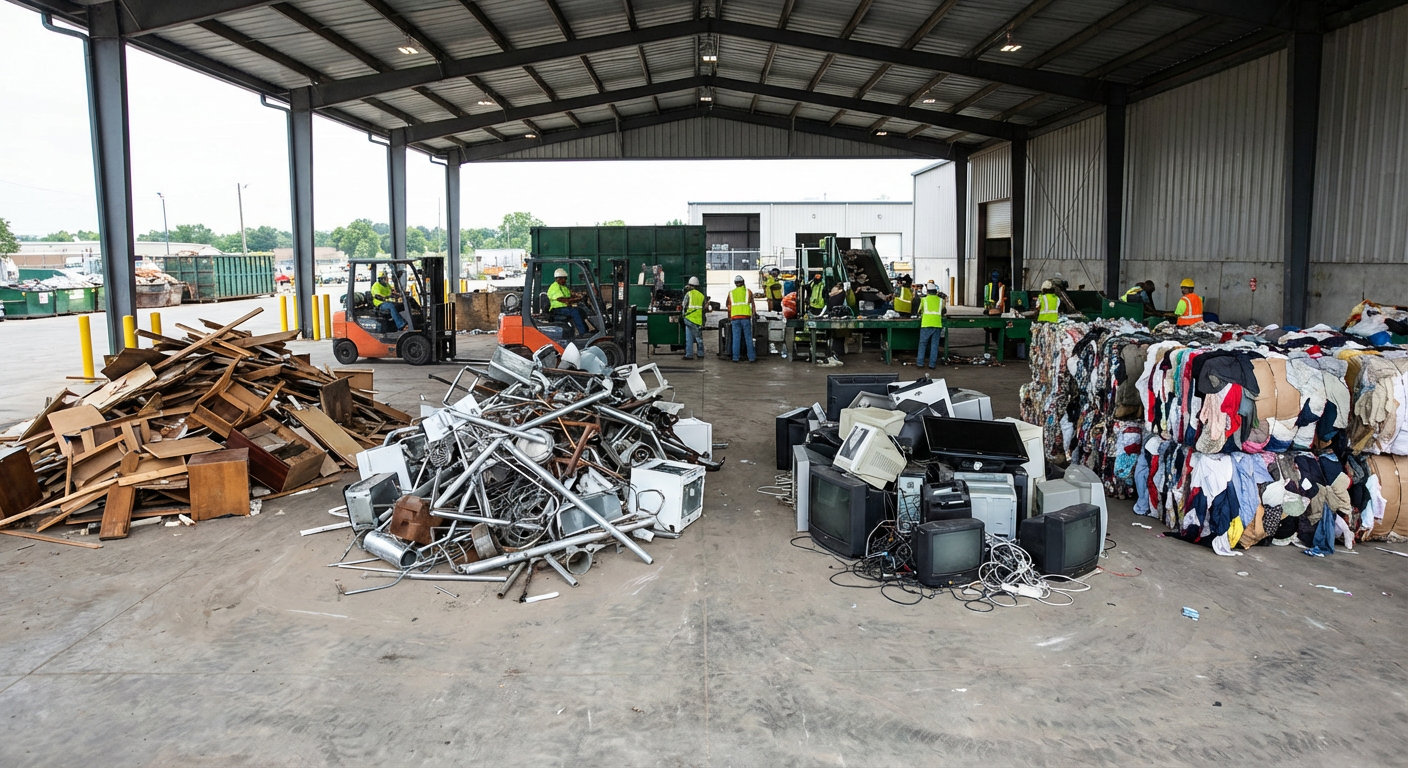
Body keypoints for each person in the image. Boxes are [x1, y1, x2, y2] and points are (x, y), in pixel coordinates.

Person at [548, 267, 589, 335]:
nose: (565, 280)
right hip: (557, 309)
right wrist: (577, 299)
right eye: (564, 278)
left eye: (565, 278)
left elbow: (571, 295)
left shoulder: (564, 287)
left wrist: (580, 295)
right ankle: (583, 333)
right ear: (558, 278)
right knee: (574, 312)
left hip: (564, 308)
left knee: (580, 310)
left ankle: (586, 330)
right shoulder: (555, 287)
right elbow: (563, 299)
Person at [915, 283, 946, 369]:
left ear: (928, 292)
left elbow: (919, 311)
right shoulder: (941, 300)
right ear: (936, 292)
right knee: (934, 345)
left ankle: (920, 363)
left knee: (923, 344)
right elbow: (943, 311)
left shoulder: (924, 300)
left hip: (926, 324)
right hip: (937, 325)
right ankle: (932, 365)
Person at [728, 274, 757, 363]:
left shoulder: (731, 293)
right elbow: (753, 305)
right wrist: (754, 314)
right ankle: (751, 357)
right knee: (748, 338)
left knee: (736, 339)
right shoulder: (748, 292)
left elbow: (729, 307)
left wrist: (729, 317)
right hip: (746, 318)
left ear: (735, 283)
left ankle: (735, 358)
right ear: (743, 282)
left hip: (735, 318)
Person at [682, 276, 706, 360]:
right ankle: (700, 353)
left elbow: (684, 306)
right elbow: (703, 309)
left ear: (690, 285)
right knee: (698, 337)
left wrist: (683, 315)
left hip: (689, 319)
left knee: (689, 338)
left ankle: (689, 354)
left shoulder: (688, 294)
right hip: (698, 320)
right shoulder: (702, 296)